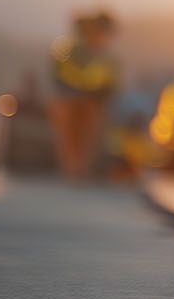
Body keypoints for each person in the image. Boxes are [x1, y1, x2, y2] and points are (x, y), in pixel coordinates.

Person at [48, 10, 120, 181]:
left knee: (84, 137)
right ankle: (74, 170)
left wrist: (104, 91)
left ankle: (79, 170)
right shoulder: (72, 50)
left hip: (90, 101)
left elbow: (110, 79)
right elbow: (63, 74)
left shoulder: (102, 55)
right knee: (72, 136)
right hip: (70, 100)